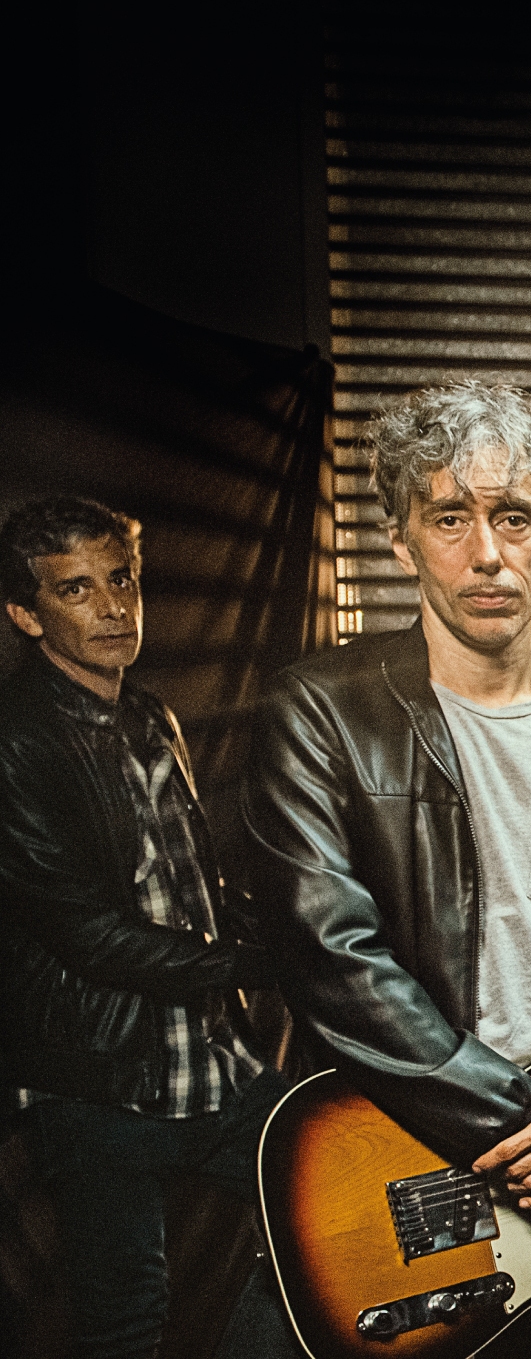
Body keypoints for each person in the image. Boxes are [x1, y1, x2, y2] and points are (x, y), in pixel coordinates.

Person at [240, 380, 531, 1352]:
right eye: (450, 517)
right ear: (401, 541)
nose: (488, 553)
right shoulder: (318, 712)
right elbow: (333, 962)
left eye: (514, 516)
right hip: (419, 1165)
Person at [0, 497, 284, 1359]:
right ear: (25, 615)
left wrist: (300, 933)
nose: (113, 607)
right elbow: (87, 933)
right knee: (124, 1325)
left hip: (213, 1064)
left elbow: (193, 886)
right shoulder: (16, 743)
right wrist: (260, 963)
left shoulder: (151, 716)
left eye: (121, 580)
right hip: (101, 1088)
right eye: (76, 589)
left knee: (338, 1223)